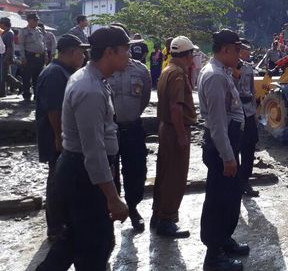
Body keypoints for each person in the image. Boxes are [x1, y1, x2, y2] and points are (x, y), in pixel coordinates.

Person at [36, 26, 130, 271]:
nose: (129, 56)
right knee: (94, 247)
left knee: (72, 241)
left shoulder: (91, 79)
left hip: (80, 170)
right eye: (125, 51)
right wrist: (112, 197)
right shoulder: (89, 88)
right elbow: (94, 152)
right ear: (110, 52)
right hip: (84, 175)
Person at [198, 29, 248, 271]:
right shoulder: (215, 76)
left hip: (228, 140)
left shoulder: (222, 72)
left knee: (230, 195)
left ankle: (224, 240)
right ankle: (213, 255)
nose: (240, 54)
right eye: (237, 49)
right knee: (218, 199)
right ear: (226, 49)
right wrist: (227, 157)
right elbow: (217, 123)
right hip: (222, 143)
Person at [35, 34, 89, 241]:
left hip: (61, 136)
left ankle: (62, 221)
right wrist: (60, 137)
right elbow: (54, 110)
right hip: (56, 137)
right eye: (81, 52)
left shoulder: (64, 71)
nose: (84, 56)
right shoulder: (55, 74)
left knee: (63, 180)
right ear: (72, 52)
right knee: (57, 181)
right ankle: (56, 226)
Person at [151, 36, 198, 238]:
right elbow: (176, 108)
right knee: (175, 177)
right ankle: (167, 219)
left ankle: (158, 214)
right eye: (191, 54)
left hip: (166, 127)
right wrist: (181, 135)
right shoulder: (178, 75)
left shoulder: (166, 70)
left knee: (163, 173)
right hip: (174, 128)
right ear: (186, 55)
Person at [108, 47, 151, 231]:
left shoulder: (141, 70)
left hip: (133, 127)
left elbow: (145, 98)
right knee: (109, 170)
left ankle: (133, 207)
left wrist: (132, 116)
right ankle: (111, 207)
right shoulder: (104, 70)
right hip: (110, 128)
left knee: (136, 170)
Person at [233, 39, 259, 197]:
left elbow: (252, 89)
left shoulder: (249, 68)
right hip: (236, 112)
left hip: (248, 111)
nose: (248, 53)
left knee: (250, 146)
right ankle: (234, 180)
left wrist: (255, 112)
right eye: (245, 50)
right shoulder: (229, 69)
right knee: (235, 146)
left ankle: (245, 180)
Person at [20, 13, 47, 102]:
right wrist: (23, 57)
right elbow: (21, 45)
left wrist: (45, 55)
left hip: (40, 57)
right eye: (34, 20)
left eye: (37, 20)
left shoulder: (39, 30)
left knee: (38, 77)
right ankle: (27, 95)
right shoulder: (23, 31)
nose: (36, 22)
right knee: (27, 77)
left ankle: (37, 95)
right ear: (29, 20)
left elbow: (44, 43)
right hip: (29, 57)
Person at [0, 18, 21, 97]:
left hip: (5, 56)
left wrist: (7, 58)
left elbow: (9, 47)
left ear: (3, 24)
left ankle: (20, 86)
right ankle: (2, 92)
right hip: (4, 56)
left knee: (3, 76)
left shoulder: (9, 33)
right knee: (4, 75)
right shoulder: (6, 32)